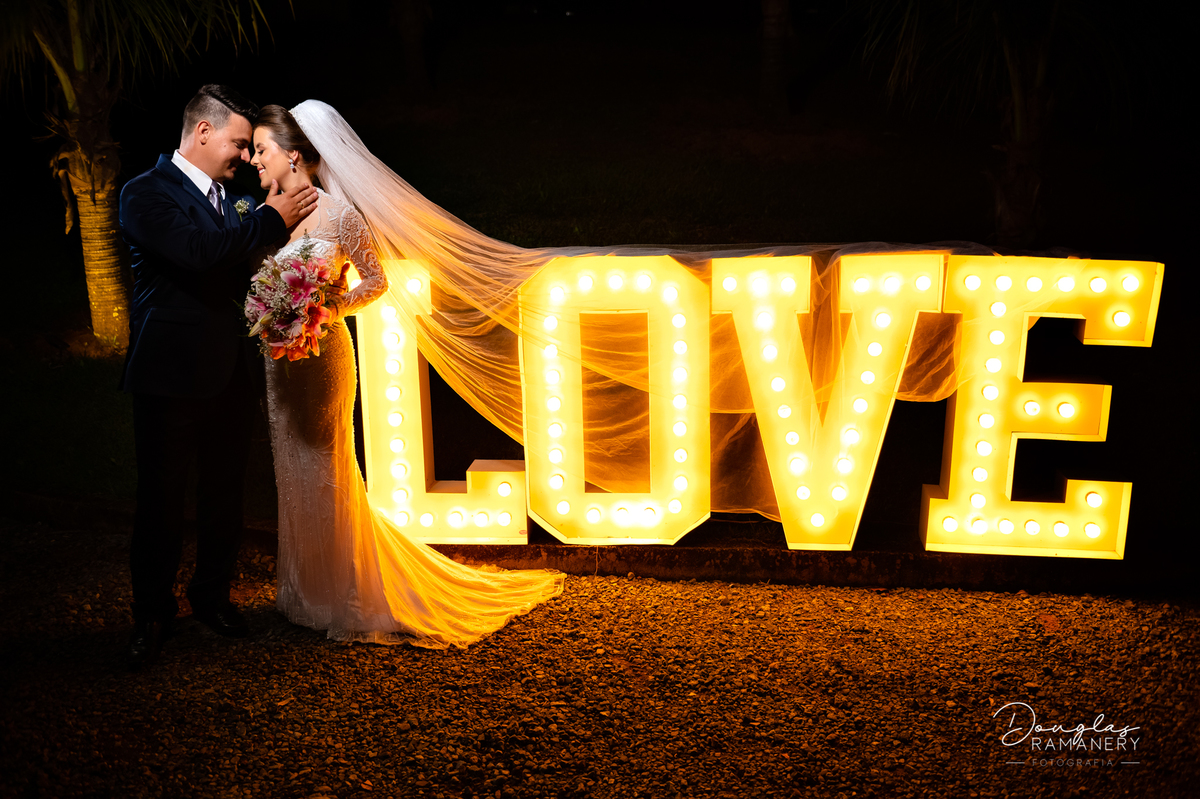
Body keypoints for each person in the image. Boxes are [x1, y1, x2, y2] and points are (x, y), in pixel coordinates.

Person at [249, 102, 564, 648]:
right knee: (291, 468)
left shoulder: (339, 216)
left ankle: (344, 592)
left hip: (322, 359)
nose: (254, 159)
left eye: (261, 149)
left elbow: (375, 281)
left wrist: (325, 309)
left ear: (293, 154)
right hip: (281, 367)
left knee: (326, 466)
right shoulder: (266, 215)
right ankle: (304, 590)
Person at [119, 85, 318, 669]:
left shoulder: (232, 199)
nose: (244, 156)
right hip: (169, 374)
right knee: (161, 499)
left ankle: (212, 596)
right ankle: (151, 612)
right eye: (238, 142)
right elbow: (198, 251)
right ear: (202, 132)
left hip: (231, 371)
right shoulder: (144, 193)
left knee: (224, 493)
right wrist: (268, 220)